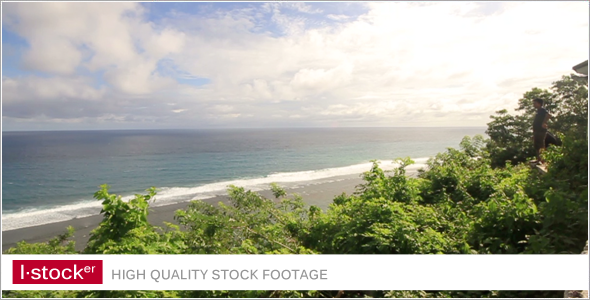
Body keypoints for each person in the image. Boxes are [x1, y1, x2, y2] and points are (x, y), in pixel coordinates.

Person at [532, 98, 552, 164]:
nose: (534, 104)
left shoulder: (542, 110)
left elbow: (548, 115)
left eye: (535, 103)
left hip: (541, 130)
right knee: (536, 145)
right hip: (537, 130)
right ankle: (538, 159)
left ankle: (543, 160)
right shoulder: (538, 111)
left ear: (539, 104)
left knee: (540, 145)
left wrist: (544, 123)